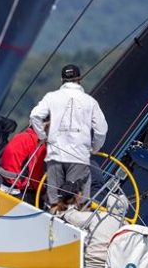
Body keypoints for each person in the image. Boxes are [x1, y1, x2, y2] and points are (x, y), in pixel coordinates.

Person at [29, 64, 107, 210]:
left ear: (61, 80)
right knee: (78, 202)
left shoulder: (51, 97)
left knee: (54, 201)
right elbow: (101, 130)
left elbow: (35, 116)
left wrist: (43, 136)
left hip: (55, 155)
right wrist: (94, 148)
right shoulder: (90, 101)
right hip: (79, 157)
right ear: (80, 80)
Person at [53, 179, 129, 268]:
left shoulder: (97, 216)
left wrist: (65, 208)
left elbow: (71, 217)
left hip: (88, 267)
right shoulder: (126, 227)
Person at [0, 123, 47, 203]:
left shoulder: (20, 135)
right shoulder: (37, 143)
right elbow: (35, 172)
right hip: (21, 190)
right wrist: (42, 191)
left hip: (5, 182)